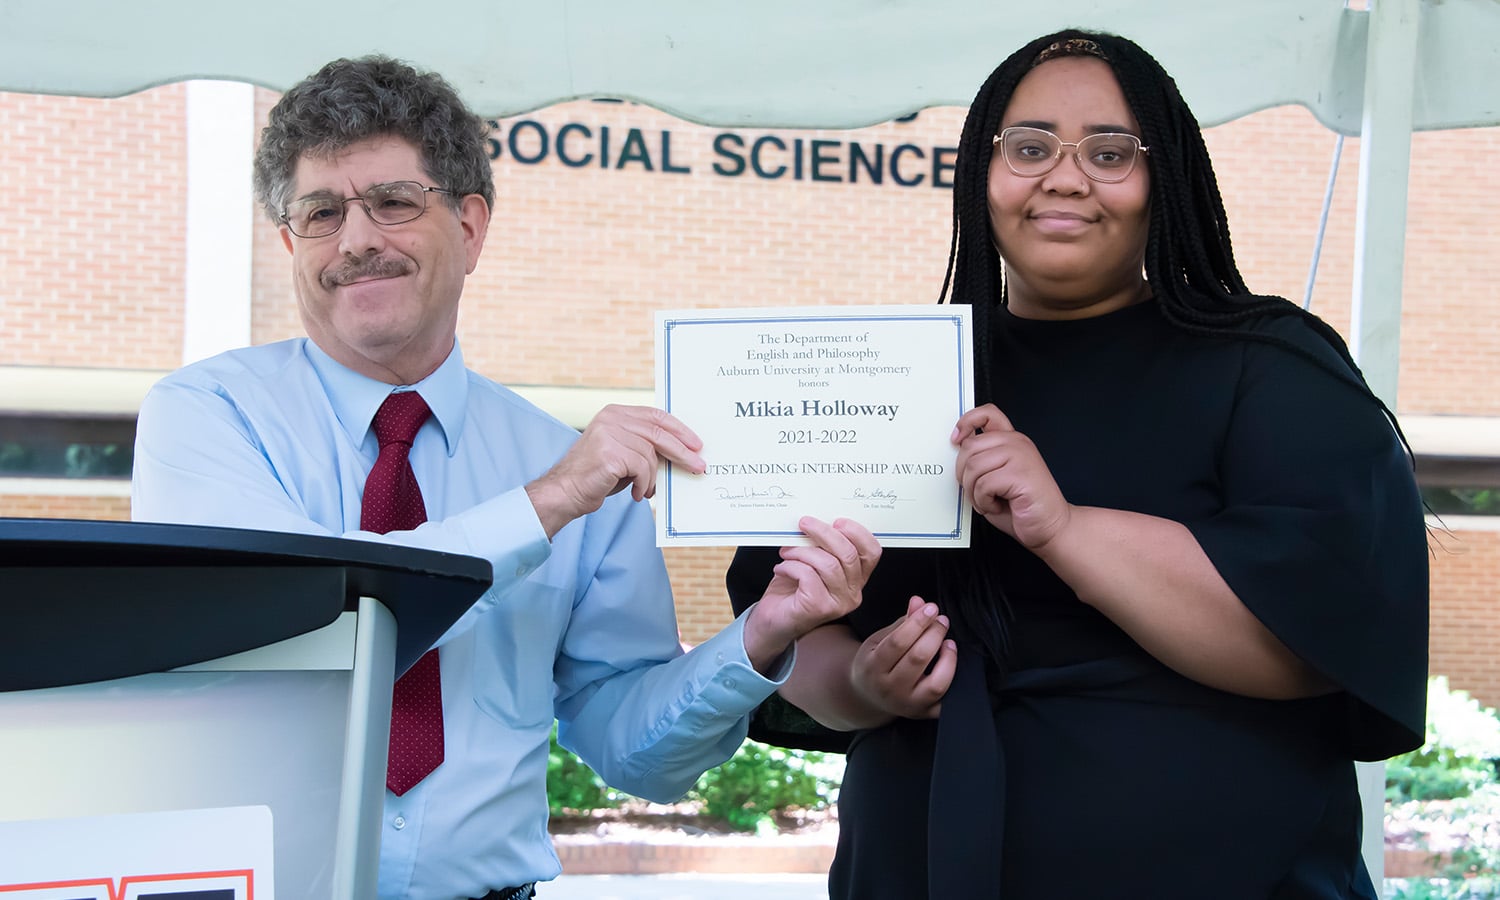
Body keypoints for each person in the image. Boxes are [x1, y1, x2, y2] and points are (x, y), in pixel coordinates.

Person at [131, 56, 880, 900]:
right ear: (288, 243)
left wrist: (762, 636)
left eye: (393, 202)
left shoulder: (576, 470)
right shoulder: (203, 416)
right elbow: (314, 598)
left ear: (472, 226)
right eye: (320, 212)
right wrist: (549, 502)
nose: (356, 239)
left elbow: (637, 755)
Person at [727, 28, 1429, 899]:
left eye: (1110, 152)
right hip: (920, 863)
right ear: (980, 175)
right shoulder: (892, 372)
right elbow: (792, 625)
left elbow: (1312, 638)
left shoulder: (1268, 363)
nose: (1064, 178)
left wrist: (1063, 529)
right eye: (1028, 148)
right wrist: (870, 688)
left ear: (1164, 179)